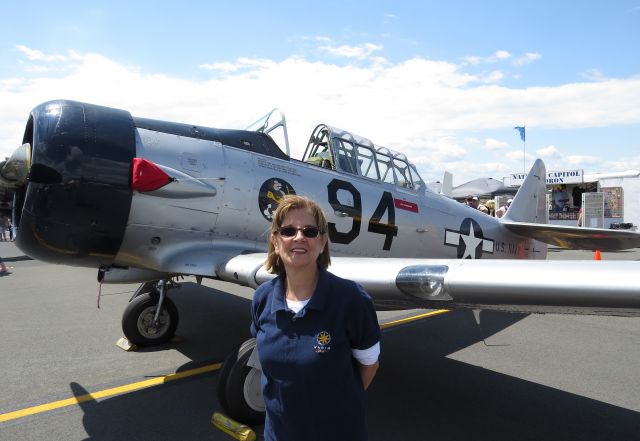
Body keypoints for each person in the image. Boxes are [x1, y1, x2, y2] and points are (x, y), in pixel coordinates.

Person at [251, 195, 381, 441]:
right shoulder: (262, 298)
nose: (299, 237)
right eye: (288, 230)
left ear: (322, 242)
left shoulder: (351, 299)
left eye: (309, 231)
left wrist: (335, 407)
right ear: (275, 240)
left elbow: (370, 364)